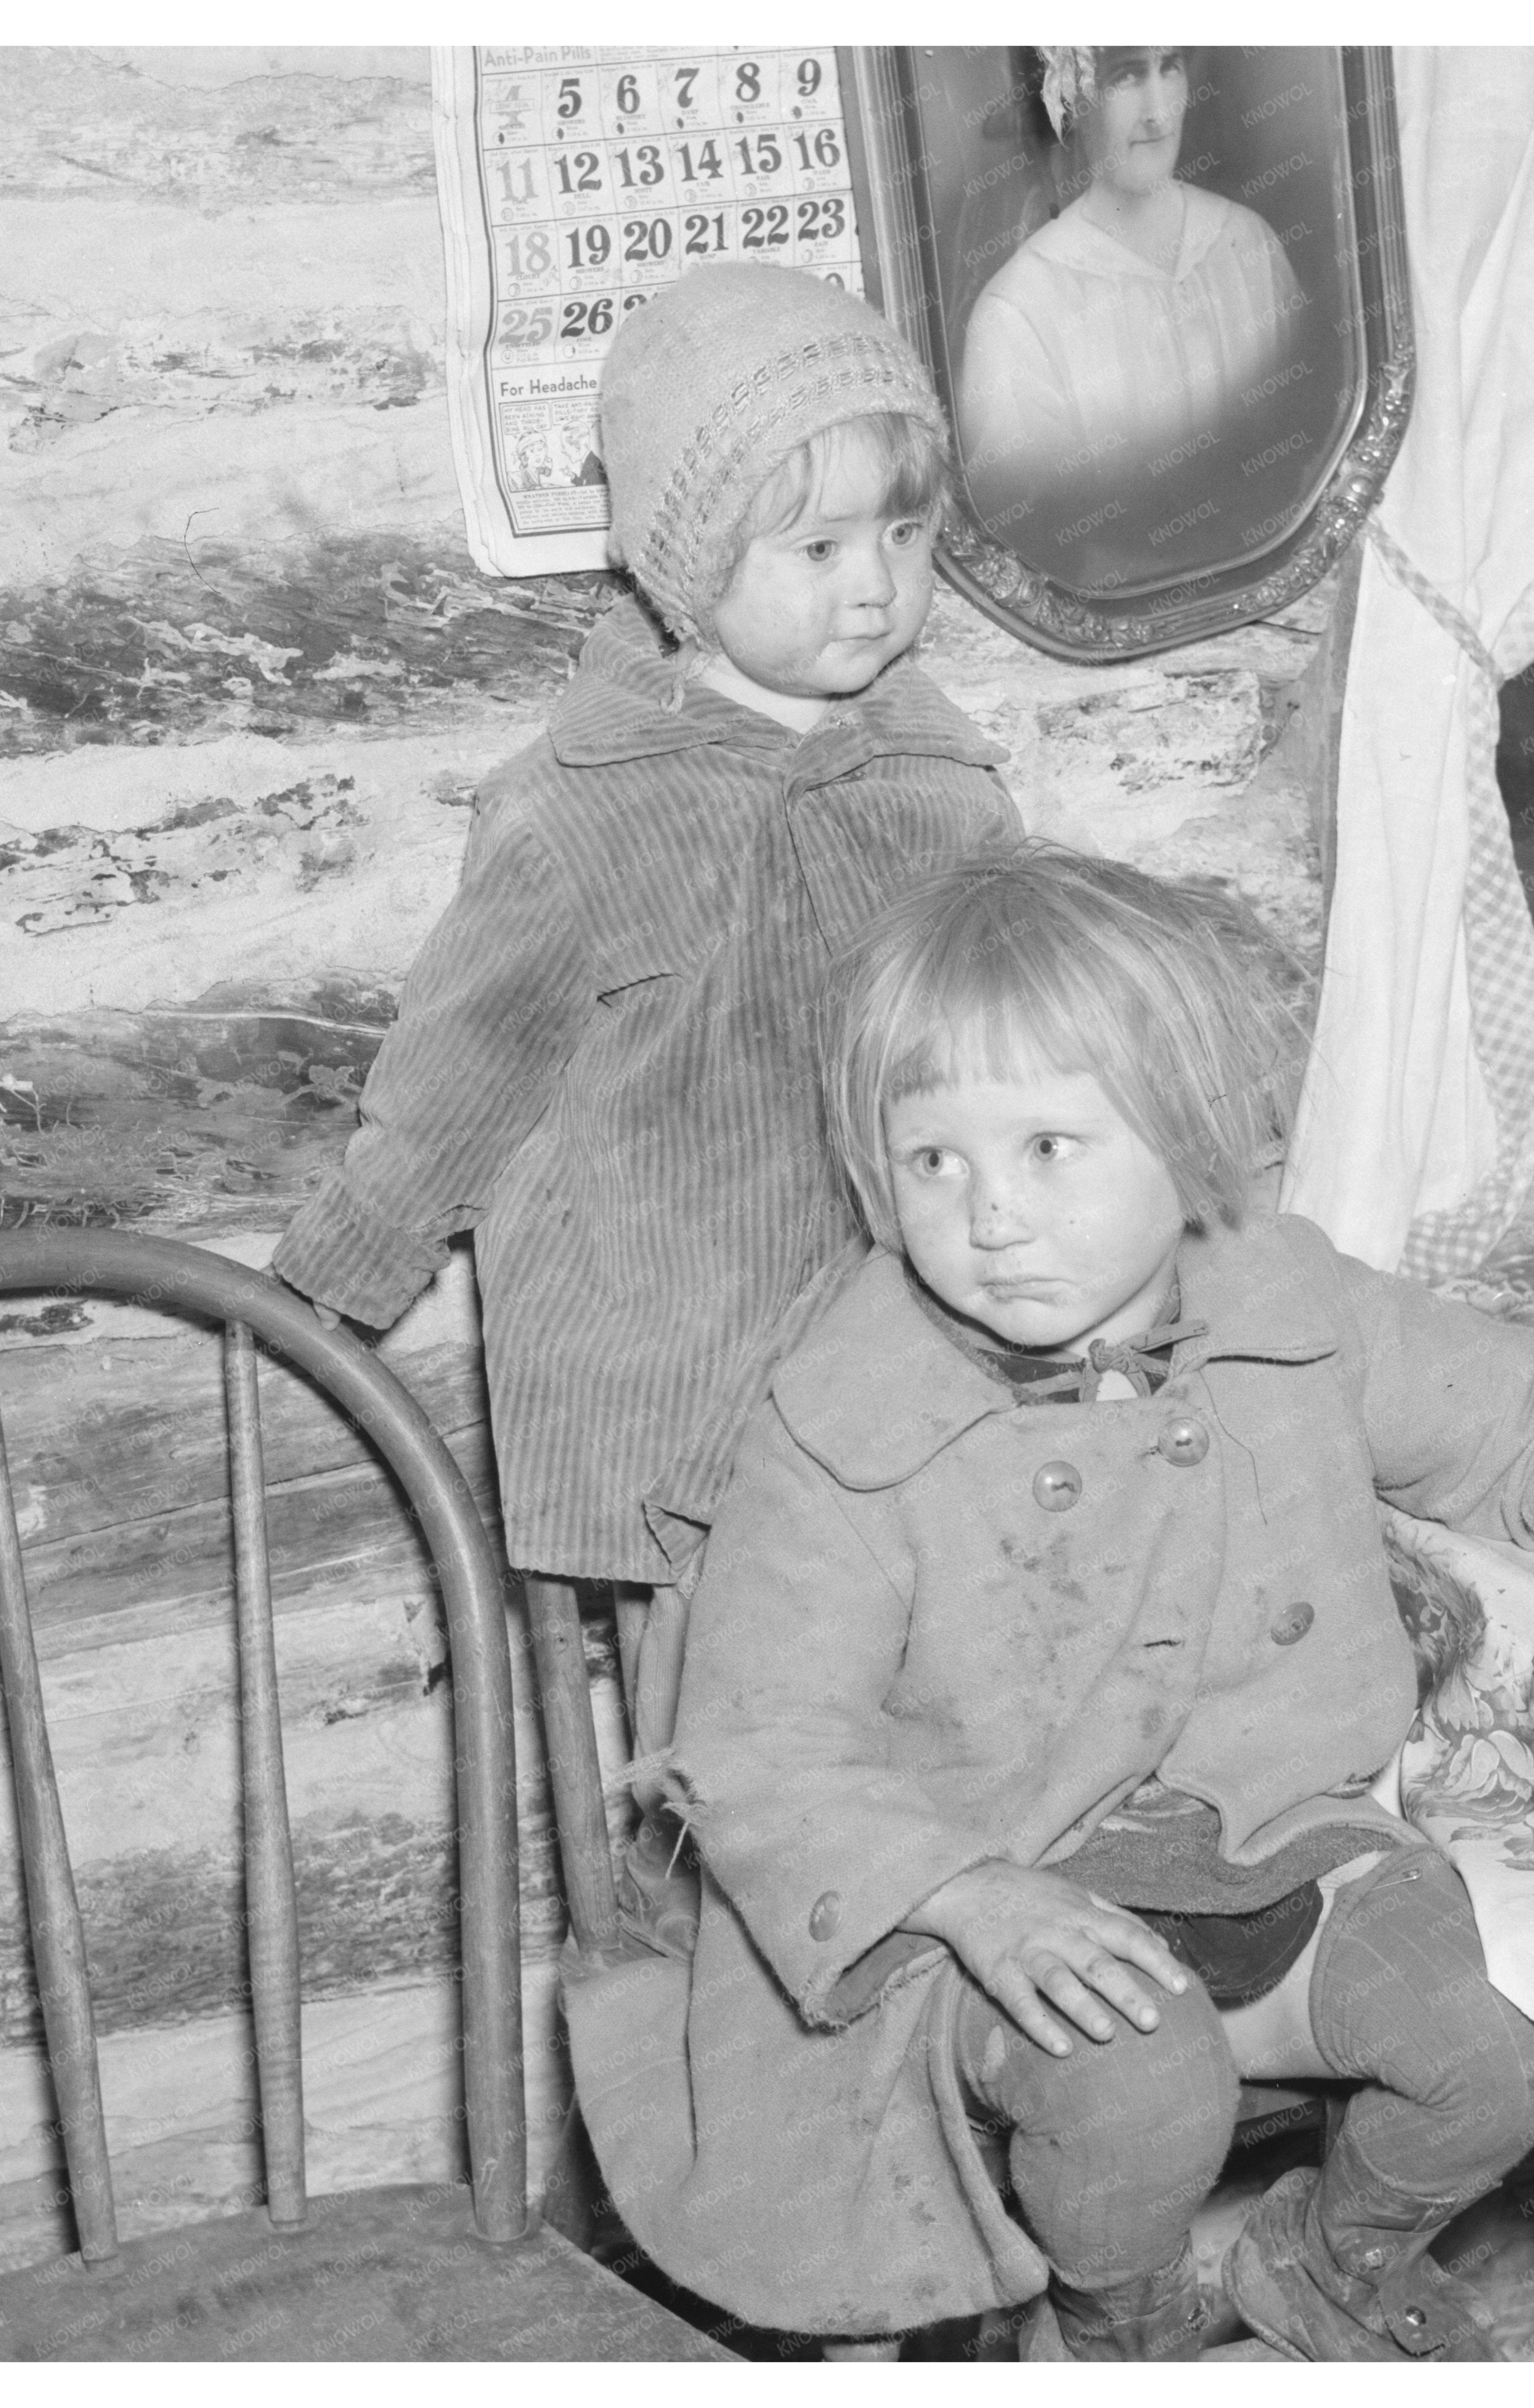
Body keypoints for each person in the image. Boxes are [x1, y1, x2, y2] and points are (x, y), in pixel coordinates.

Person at [563, 846, 1534, 2359]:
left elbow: (1532, 1400)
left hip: (1275, 1837)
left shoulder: (1287, 1304)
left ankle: (1329, 2251)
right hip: (978, 1886)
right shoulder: (846, 1423)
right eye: (933, 1158)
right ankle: (1108, 2317)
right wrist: (970, 1894)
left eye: (1051, 1145)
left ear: (1186, 1137)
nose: (990, 1213)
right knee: (1138, 2082)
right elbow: (759, 1744)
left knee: (1526, 2032)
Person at [272, 264, 1020, 1893]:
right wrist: (347, 1272)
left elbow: (1035, 1023)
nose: (873, 587)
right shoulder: (583, 807)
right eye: (816, 547)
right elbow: (466, 1058)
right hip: (681, 1409)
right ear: (689, 560)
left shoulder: (947, 788)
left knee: (939, 1761)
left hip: (923, 1385)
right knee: (739, 1795)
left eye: (903, 534)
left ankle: (917, 2032)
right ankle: (740, 2079)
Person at [956, 46, 1307, 512]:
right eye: (1125, 77)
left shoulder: (1248, 243)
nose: (1158, 114)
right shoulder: (1017, 312)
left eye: (1170, 67)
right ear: (1070, 98)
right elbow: (1037, 532)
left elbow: (1303, 449)